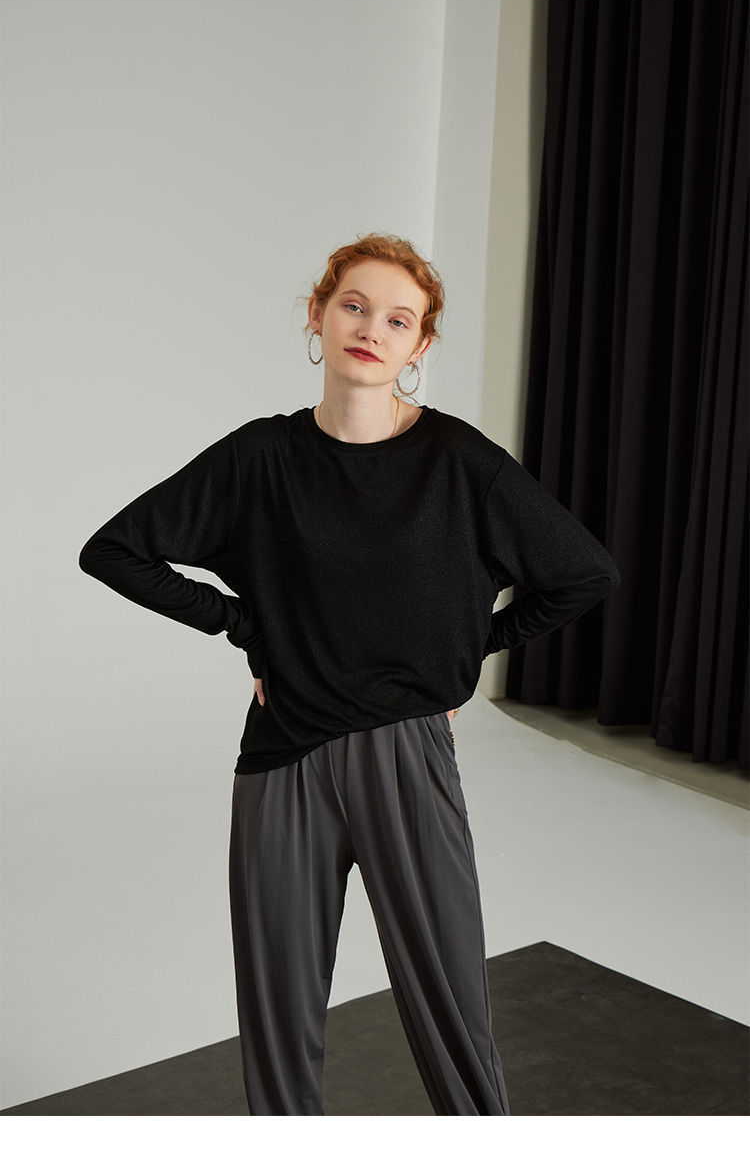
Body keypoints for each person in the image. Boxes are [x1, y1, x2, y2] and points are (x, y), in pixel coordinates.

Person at [79, 231, 621, 1116]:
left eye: (398, 319)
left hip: (406, 754)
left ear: (421, 345)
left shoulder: (457, 461)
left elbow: (584, 572)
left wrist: (463, 656)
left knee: (452, 1009)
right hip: (281, 758)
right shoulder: (261, 457)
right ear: (319, 316)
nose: (372, 328)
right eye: (354, 306)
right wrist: (243, 626)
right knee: (278, 1016)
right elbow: (114, 550)